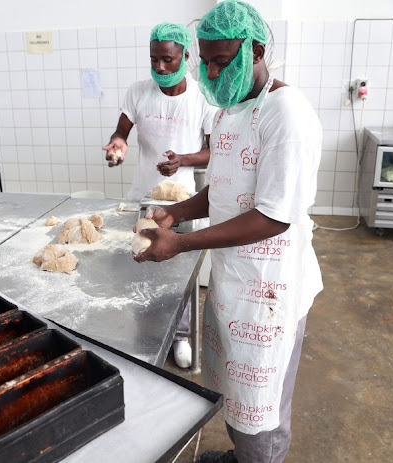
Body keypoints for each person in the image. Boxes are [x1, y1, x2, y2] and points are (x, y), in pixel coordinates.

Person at [134, 1, 323, 462]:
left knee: (262, 406)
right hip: (233, 278)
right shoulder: (227, 111)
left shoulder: (286, 114)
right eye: (208, 62)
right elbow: (220, 187)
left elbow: (274, 216)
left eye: (224, 61)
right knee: (234, 394)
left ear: (256, 51)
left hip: (268, 289)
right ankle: (241, 457)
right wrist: (175, 212)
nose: (214, 74)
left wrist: (181, 244)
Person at [103, 22, 218, 369]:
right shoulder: (139, 92)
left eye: (167, 59)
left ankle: (180, 336)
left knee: (177, 272)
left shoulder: (202, 97)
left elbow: (214, 151)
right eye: (154, 60)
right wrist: (118, 144)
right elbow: (122, 130)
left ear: (184, 55)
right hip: (143, 196)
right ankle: (147, 331)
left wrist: (184, 159)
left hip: (182, 201)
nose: (159, 68)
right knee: (141, 264)